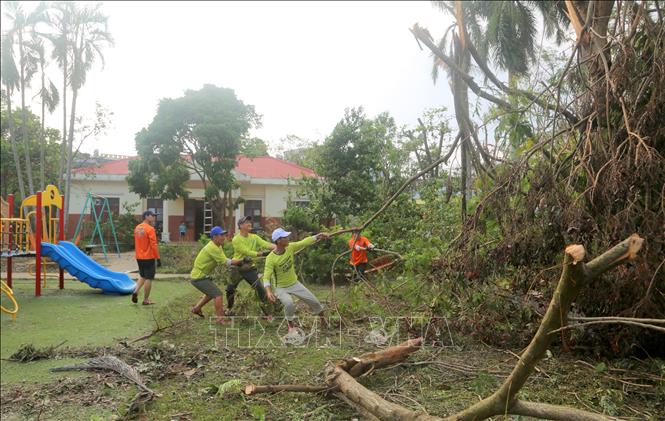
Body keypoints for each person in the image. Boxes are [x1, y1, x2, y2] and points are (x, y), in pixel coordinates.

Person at [263, 228, 330, 333]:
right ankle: (290, 325)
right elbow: (266, 276)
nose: (288, 238)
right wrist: (268, 291)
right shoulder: (270, 258)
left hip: (294, 284)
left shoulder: (290, 247)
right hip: (281, 288)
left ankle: (323, 321)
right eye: (285, 237)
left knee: (315, 302)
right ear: (279, 241)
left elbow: (303, 242)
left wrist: (318, 235)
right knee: (289, 303)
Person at [190, 226, 243, 324]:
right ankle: (220, 319)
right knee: (218, 295)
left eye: (224, 235)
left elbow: (224, 259)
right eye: (221, 235)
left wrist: (237, 262)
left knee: (211, 294)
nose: (224, 237)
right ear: (214, 237)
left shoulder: (218, 246)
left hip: (200, 276)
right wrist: (241, 261)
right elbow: (225, 262)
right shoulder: (212, 247)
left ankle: (197, 309)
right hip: (198, 277)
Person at [227, 216, 276, 318]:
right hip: (237, 268)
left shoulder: (254, 237)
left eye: (250, 222)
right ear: (240, 226)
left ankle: (267, 313)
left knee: (260, 288)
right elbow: (246, 251)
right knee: (230, 289)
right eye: (246, 222)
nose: (250, 224)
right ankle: (229, 309)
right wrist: (261, 254)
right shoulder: (236, 239)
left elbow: (266, 244)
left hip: (249, 268)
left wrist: (278, 246)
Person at [132, 210, 161, 305]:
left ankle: (135, 291)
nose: (154, 217)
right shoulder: (150, 229)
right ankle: (146, 299)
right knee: (149, 278)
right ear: (146, 216)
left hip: (139, 257)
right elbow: (153, 244)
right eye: (152, 216)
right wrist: (158, 257)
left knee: (143, 275)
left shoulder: (137, 228)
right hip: (148, 257)